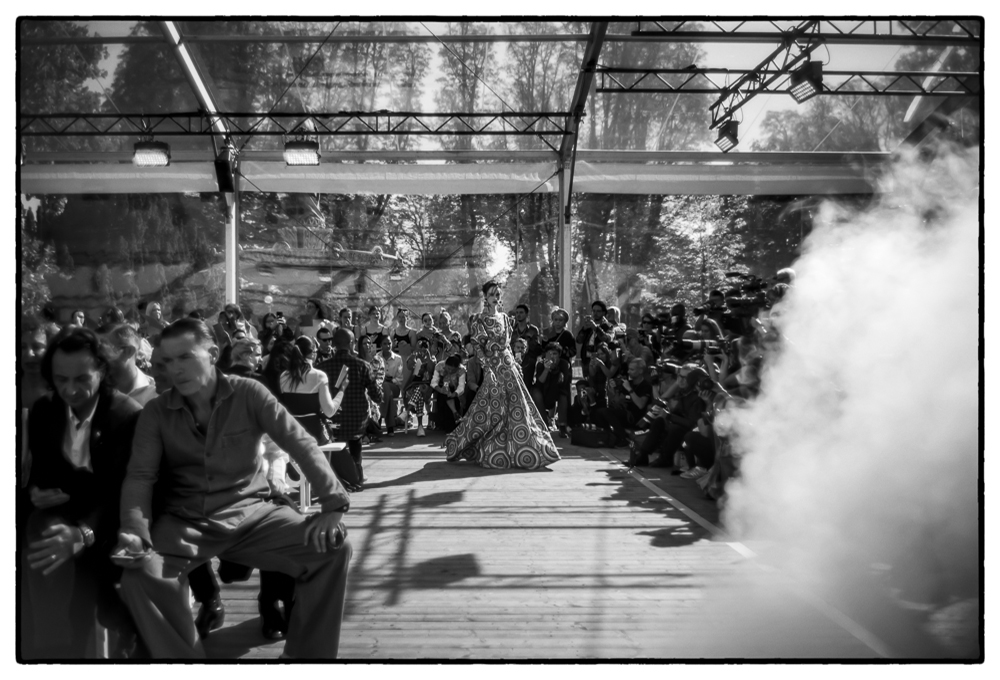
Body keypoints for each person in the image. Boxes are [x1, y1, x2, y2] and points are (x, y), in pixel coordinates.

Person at [113, 319, 353, 659]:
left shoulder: (249, 393)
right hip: (186, 522)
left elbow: (299, 442)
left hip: (252, 514)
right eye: (167, 361)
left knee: (333, 547)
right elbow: (140, 477)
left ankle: (306, 659)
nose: (175, 369)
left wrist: (332, 504)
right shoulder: (155, 412)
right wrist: (134, 531)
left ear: (212, 354)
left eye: (185, 357)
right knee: (141, 575)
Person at [22, 327, 142, 658]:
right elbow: (44, 469)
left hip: (111, 521)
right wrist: (38, 491)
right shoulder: (45, 409)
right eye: (61, 379)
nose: (70, 389)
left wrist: (83, 532)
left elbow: (121, 492)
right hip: (63, 512)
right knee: (42, 535)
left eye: (81, 379)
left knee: (60, 551)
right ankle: (52, 644)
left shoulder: (126, 416)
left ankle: (58, 645)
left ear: (102, 371)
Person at [445, 282, 560, 470]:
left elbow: (507, 346)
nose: (495, 297)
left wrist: (515, 363)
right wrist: (487, 369)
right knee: (493, 410)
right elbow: (478, 348)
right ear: (485, 296)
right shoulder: (479, 320)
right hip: (493, 367)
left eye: (498, 294)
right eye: (492, 294)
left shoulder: (506, 318)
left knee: (518, 408)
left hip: (509, 367)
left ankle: (526, 450)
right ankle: (490, 450)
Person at [317, 328, 382, 486]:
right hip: (356, 421)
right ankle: (357, 471)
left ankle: (337, 474)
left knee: (334, 439)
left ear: (334, 344)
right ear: (352, 343)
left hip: (331, 420)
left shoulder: (322, 367)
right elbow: (377, 396)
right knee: (355, 440)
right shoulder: (362, 366)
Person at [593, 357, 653, 448]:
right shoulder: (628, 383)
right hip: (624, 412)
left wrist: (630, 389)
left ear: (640, 371)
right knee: (599, 411)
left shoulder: (646, 385)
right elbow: (618, 402)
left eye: (632, 370)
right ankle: (609, 435)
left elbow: (640, 405)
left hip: (636, 418)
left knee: (606, 412)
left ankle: (622, 438)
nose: (628, 372)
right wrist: (613, 391)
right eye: (629, 369)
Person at [101, 323, 159, 407]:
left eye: (105, 349)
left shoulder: (155, 393)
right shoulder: (95, 388)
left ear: (129, 351)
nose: (98, 355)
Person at [531, 342, 572, 438]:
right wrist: (547, 369)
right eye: (549, 354)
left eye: (555, 354)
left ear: (559, 355)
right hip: (543, 390)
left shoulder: (564, 364)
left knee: (563, 396)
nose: (552, 356)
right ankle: (544, 425)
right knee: (536, 394)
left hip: (557, 389)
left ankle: (562, 426)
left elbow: (564, 384)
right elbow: (540, 382)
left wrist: (557, 371)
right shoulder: (541, 364)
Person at [575, 300, 612, 375]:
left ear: (603, 313)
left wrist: (596, 328)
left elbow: (607, 339)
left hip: (600, 360)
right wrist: (584, 329)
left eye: (598, 311)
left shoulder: (608, 326)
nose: (595, 313)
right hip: (586, 359)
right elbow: (578, 340)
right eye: (594, 311)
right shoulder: (589, 325)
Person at [431, 354, 465, 433]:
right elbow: (434, 382)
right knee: (444, 395)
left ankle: (451, 419)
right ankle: (454, 413)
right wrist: (441, 390)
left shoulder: (461, 370)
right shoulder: (439, 366)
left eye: (453, 370)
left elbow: (461, 386)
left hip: (455, 391)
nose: (450, 371)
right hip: (440, 388)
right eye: (448, 368)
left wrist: (455, 394)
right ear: (445, 364)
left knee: (448, 395)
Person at [378, 336, 403, 437]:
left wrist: (391, 380)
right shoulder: (376, 358)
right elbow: (374, 375)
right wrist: (383, 380)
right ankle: (390, 426)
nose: (387, 346)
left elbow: (400, 379)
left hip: (394, 386)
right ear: (381, 345)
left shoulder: (398, 359)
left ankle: (379, 418)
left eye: (389, 343)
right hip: (380, 387)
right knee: (388, 394)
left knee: (386, 387)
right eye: (385, 344)